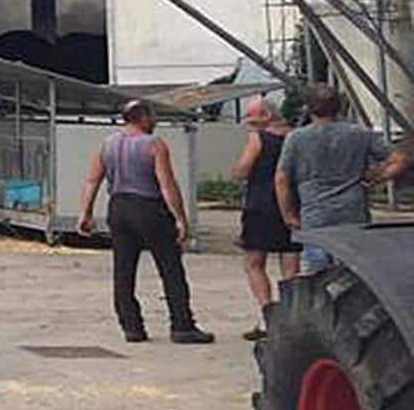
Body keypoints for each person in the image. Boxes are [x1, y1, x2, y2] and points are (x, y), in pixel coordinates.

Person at [77, 99, 215, 343]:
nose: (155, 121)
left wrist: (85, 213)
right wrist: (180, 218)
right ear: (142, 118)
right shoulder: (154, 144)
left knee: (123, 271)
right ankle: (182, 326)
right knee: (170, 267)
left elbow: (92, 181)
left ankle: (132, 327)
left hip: (119, 208)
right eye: (152, 117)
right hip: (149, 209)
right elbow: (166, 184)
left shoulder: (107, 144)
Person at [275, 83, 409, 275]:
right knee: (354, 269)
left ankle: (324, 302)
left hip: (315, 213)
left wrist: (288, 215)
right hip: (352, 210)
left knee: (317, 272)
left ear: (309, 108)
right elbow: (400, 159)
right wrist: (377, 176)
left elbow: (281, 179)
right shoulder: (359, 134)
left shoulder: (296, 138)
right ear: (339, 107)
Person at [232, 95, 298, 341]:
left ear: (266, 116)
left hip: (260, 204)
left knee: (254, 262)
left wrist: (238, 170)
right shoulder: (295, 137)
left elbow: (242, 170)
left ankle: (266, 314)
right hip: (291, 204)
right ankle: (292, 313)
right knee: (290, 264)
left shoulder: (258, 139)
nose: (248, 120)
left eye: (251, 115)